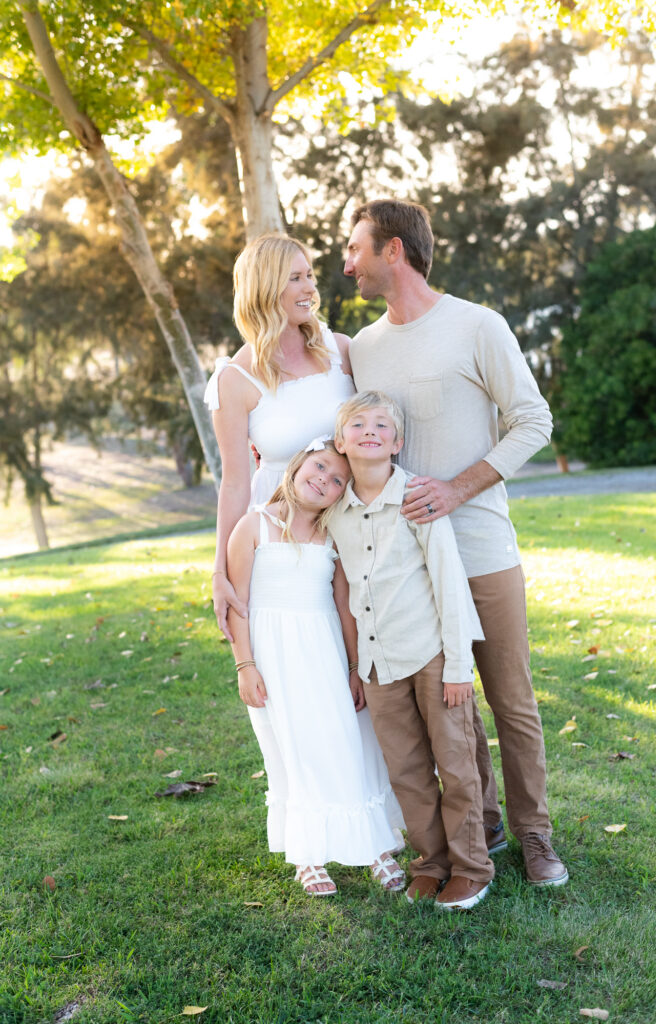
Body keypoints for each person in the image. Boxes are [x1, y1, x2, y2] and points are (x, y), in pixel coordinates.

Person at [343, 199, 568, 887]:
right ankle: (487, 827)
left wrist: (457, 489)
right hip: (409, 570)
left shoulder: (477, 325)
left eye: (355, 248)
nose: (346, 263)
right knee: (451, 702)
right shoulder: (364, 348)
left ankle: (536, 837)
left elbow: (533, 420)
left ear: (394, 252)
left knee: (510, 698)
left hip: (482, 548)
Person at [328, 391, 494, 909]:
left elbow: (449, 583)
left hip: (432, 656)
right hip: (379, 664)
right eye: (358, 424)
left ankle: (472, 867)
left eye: (382, 425)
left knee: (455, 760)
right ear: (341, 441)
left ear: (397, 442)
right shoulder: (336, 512)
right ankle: (431, 861)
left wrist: (458, 667)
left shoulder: (417, 498)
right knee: (406, 769)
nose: (371, 431)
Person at [226, 438, 405, 896]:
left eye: (337, 480)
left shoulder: (333, 535)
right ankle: (307, 856)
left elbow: (344, 605)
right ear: (299, 463)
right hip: (273, 656)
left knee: (347, 740)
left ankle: (374, 847)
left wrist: (352, 667)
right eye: (320, 466)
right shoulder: (253, 527)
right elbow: (238, 605)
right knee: (290, 748)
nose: (323, 479)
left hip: (323, 649)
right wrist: (245, 664)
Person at [204, 233, 355, 642]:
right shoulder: (234, 379)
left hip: (351, 525)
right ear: (265, 288)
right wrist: (220, 571)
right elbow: (234, 482)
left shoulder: (342, 350)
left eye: (309, 276)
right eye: (295, 279)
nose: (310, 288)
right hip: (283, 540)